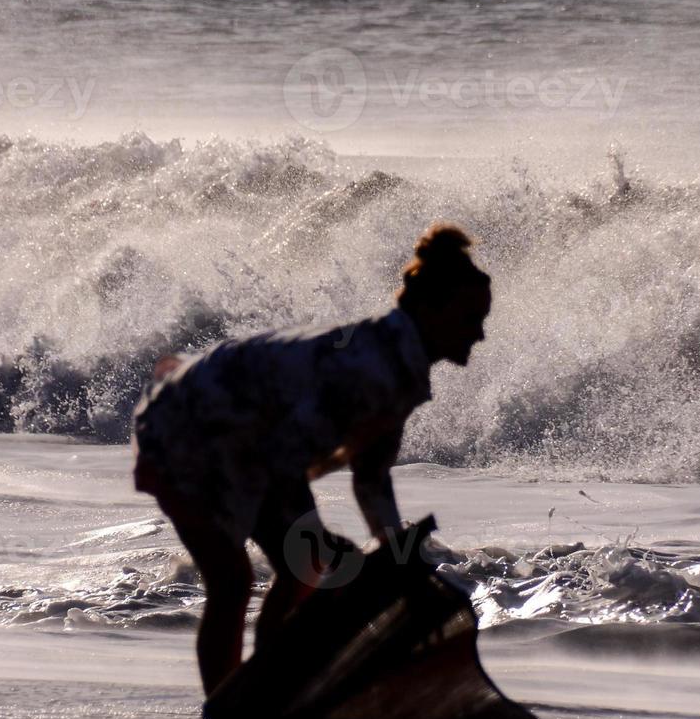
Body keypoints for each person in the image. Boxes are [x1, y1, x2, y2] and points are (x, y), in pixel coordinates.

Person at [132, 224, 492, 695]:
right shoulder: (369, 369)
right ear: (431, 309)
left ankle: (270, 697)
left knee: (311, 567)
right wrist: (323, 545)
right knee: (235, 579)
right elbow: (283, 462)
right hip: (187, 425)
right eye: (470, 318)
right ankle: (234, 717)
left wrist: (398, 558)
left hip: (245, 443)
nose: (480, 334)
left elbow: (371, 481)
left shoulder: (399, 369)